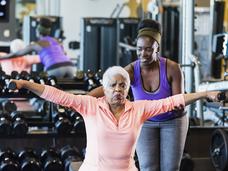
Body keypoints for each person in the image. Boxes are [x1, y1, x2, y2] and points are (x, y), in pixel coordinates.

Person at [10, 66, 220, 171]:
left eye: (122, 85)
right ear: (104, 88)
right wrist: (26, 84)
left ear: (128, 88)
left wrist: (204, 94)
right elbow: (56, 94)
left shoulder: (139, 109)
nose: (118, 89)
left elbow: (173, 101)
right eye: (113, 85)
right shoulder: (90, 105)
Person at [89, 19, 187, 171]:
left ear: (157, 48)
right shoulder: (130, 71)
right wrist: (80, 99)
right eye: (139, 49)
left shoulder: (173, 68)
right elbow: (106, 88)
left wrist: (179, 106)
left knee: (170, 168)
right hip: (145, 121)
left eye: (148, 49)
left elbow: (178, 102)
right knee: (148, 167)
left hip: (172, 121)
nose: (143, 54)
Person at [0, 17, 76, 78]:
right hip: (70, 66)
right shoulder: (56, 41)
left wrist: (3, 58)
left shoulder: (36, 44)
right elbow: (64, 53)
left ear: (38, 32)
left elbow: (17, 54)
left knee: (49, 93)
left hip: (54, 67)